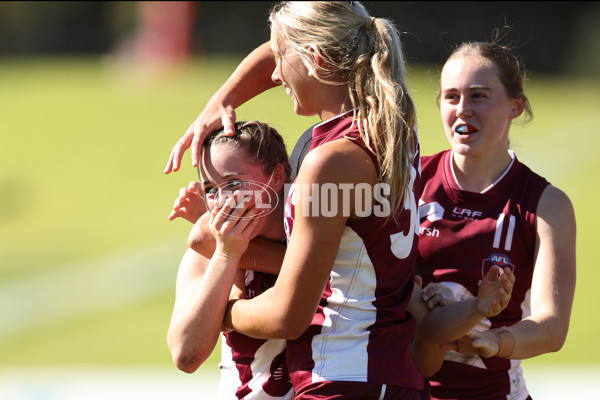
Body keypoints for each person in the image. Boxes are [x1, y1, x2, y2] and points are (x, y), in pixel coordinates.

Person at [166, 2, 515, 399]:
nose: (276, 73)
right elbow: (297, 48)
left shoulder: (329, 162)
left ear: (314, 59)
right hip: (387, 374)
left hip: (343, 376)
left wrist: (221, 315)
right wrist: (223, 98)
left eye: (282, 60)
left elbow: (288, 315)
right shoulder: (394, 127)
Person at [416, 41, 577, 399]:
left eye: (478, 96)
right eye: (451, 97)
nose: (462, 110)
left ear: (516, 106)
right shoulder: (409, 180)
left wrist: (495, 341)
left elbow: (551, 326)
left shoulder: (547, 205)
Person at [166, 120, 295, 399]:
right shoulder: (205, 254)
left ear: (276, 177)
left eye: (234, 183)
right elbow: (186, 355)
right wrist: (227, 255)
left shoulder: (321, 239)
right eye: (211, 188)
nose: (222, 200)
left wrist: (225, 314)